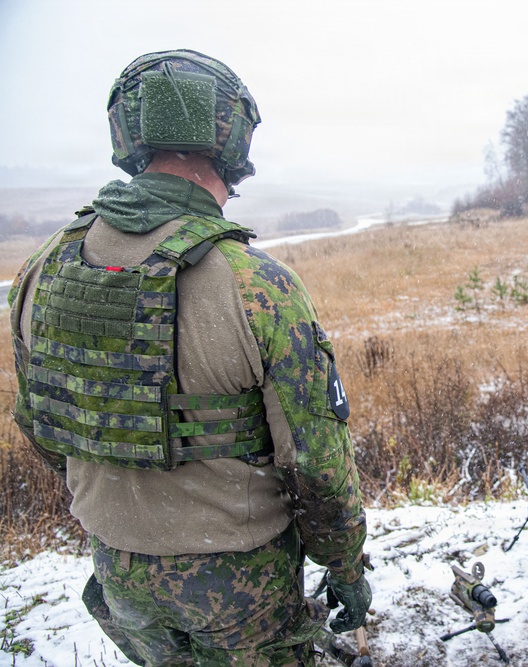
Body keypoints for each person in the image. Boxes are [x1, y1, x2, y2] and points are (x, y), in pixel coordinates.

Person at [7, 49, 369, 666]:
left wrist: (116, 505)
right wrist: (345, 565)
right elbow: (315, 460)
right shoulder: (256, 285)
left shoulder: (42, 268)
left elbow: (41, 422)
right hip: (239, 580)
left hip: (116, 567)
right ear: (232, 143)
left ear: (130, 134)